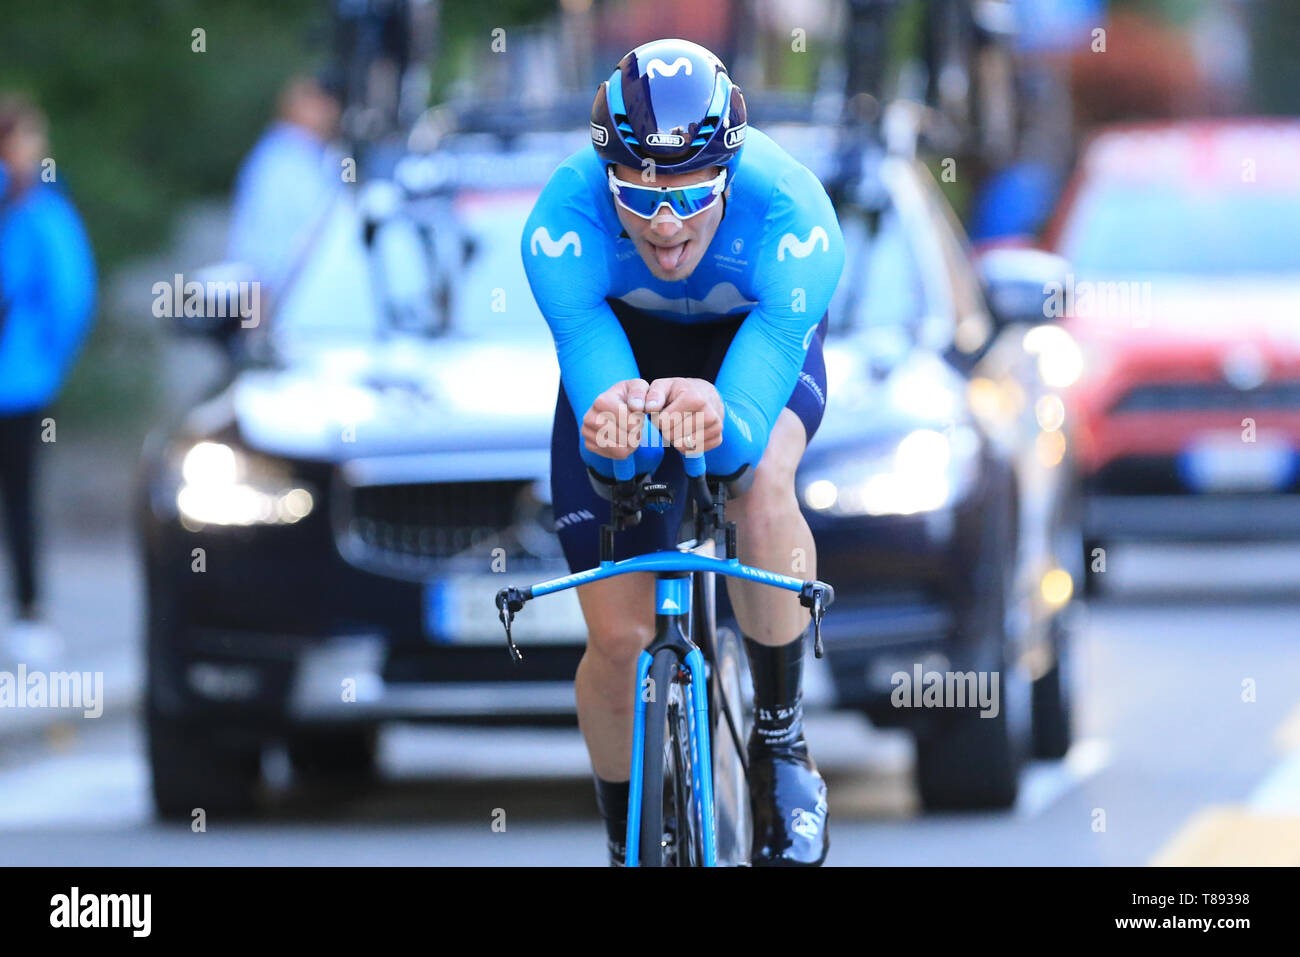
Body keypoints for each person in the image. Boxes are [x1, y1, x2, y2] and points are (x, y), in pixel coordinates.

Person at [522, 39, 845, 865]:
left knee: (759, 477)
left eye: (693, 194)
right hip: (627, 346)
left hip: (749, 346)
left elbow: (734, 443)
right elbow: (616, 451)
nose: (666, 227)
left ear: (730, 174)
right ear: (606, 180)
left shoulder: (795, 217)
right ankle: (626, 837)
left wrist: (723, 419)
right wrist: (614, 439)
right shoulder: (561, 224)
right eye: (639, 195)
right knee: (619, 641)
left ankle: (780, 748)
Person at [0, 94, 96, 661]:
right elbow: (70, 298)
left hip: (22, 382)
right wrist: (47, 359)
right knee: (21, 501)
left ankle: (31, 612)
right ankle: (30, 615)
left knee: (22, 500)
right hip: (24, 381)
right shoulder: (41, 210)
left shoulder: (39, 208)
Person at [227, 75, 343, 298]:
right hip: (275, 295)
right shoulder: (283, 158)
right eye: (319, 102)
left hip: (291, 295)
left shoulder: (311, 153)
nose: (331, 110)